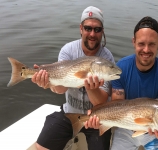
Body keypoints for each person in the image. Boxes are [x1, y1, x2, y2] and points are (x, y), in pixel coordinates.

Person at [85, 16, 158, 150]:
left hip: (153, 132)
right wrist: (99, 118)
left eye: (151, 44)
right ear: (134, 42)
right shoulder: (120, 69)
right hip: (125, 128)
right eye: (141, 44)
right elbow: (117, 106)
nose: (146, 50)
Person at [31, 6, 114, 150]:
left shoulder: (107, 59)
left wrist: (91, 88)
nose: (92, 34)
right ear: (81, 28)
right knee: (41, 146)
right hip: (69, 112)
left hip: (94, 118)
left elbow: (101, 101)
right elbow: (60, 88)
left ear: (102, 32)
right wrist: (48, 83)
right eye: (88, 28)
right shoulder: (68, 50)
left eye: (97, 29)